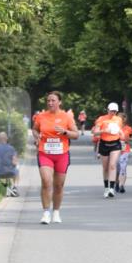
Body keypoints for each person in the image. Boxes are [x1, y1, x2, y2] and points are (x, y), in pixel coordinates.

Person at [32, 91, 79, 224]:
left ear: (59, 102)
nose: (50, 103)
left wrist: (65, 132)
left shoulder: (66, 117)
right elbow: (35, 129)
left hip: (61, 154)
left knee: (58, 185)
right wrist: (37, 136)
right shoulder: (41, 116)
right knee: (46, 182)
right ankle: (46, 212)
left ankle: (56, 212)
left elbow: (75, 134)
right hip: (45, 153)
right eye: (48, 101)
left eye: (53, 100)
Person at [91, 101, 124, 198]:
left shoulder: (118, 119)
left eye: (115, 111)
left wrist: (122, 134)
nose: (113, 113)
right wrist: (104, 130)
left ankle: (111, 189)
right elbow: (95, 133)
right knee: (105, 168)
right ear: (108, 110)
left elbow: (119, 130)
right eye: (111, 111)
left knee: (112, 165)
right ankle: (106, 187)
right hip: (104, 144)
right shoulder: (101, 119)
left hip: (115, 144)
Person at [0, 131, 19, 196]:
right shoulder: (12, 148)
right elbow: (14, 162)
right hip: (10, 172)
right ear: (6, 139)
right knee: (17, 169)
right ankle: (14, 187)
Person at [116, 113, 132, 193]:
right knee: (117, 168)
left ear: (124, 120)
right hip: (115, 150)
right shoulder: (114, 128)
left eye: (121, 119)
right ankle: (116, 183)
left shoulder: (128, 129)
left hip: (125, 150)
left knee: (123, 167)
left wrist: (128, 139)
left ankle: (121, 185)